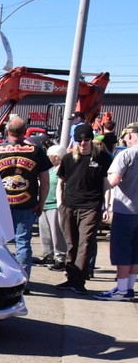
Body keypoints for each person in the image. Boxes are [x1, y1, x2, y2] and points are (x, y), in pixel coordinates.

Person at [55, 122, 113, 294]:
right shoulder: (68, 158)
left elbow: (107, 184)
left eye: (86, 140)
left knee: (85, 244)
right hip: (69, 206)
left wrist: (107, 206)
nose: (82, 143)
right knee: (71, 244)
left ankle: (79, 280)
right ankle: (70, 277)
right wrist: (59, 204)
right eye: (79, 140)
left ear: (91, 139)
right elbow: (60, 183)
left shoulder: (103, 158)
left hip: (91, 206)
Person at [0, 115, 51, 279]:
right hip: (26, 204)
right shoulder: (36, 152)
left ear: (7, 131)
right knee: (23, 242)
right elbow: (45, 182)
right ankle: (23, 280)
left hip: (1, 205)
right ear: (25, 132)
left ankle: (0, 279)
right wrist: (41, 203)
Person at [95, 122, 138, 301]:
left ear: (130, 135)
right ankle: (129, 288)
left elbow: (113, 180)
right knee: (135, 251)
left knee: (122, 251)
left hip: (126, 210)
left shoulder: (126, 154)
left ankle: (121, 290)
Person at [37, 145, 67, 270]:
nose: (48, 158)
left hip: (55, 204)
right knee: (44, 232)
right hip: (44, 203)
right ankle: (48, 255)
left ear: (56, 156)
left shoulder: (63, 170)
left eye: (50, 156)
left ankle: (60, 257)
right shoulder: (49, 169)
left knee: (56, 232)